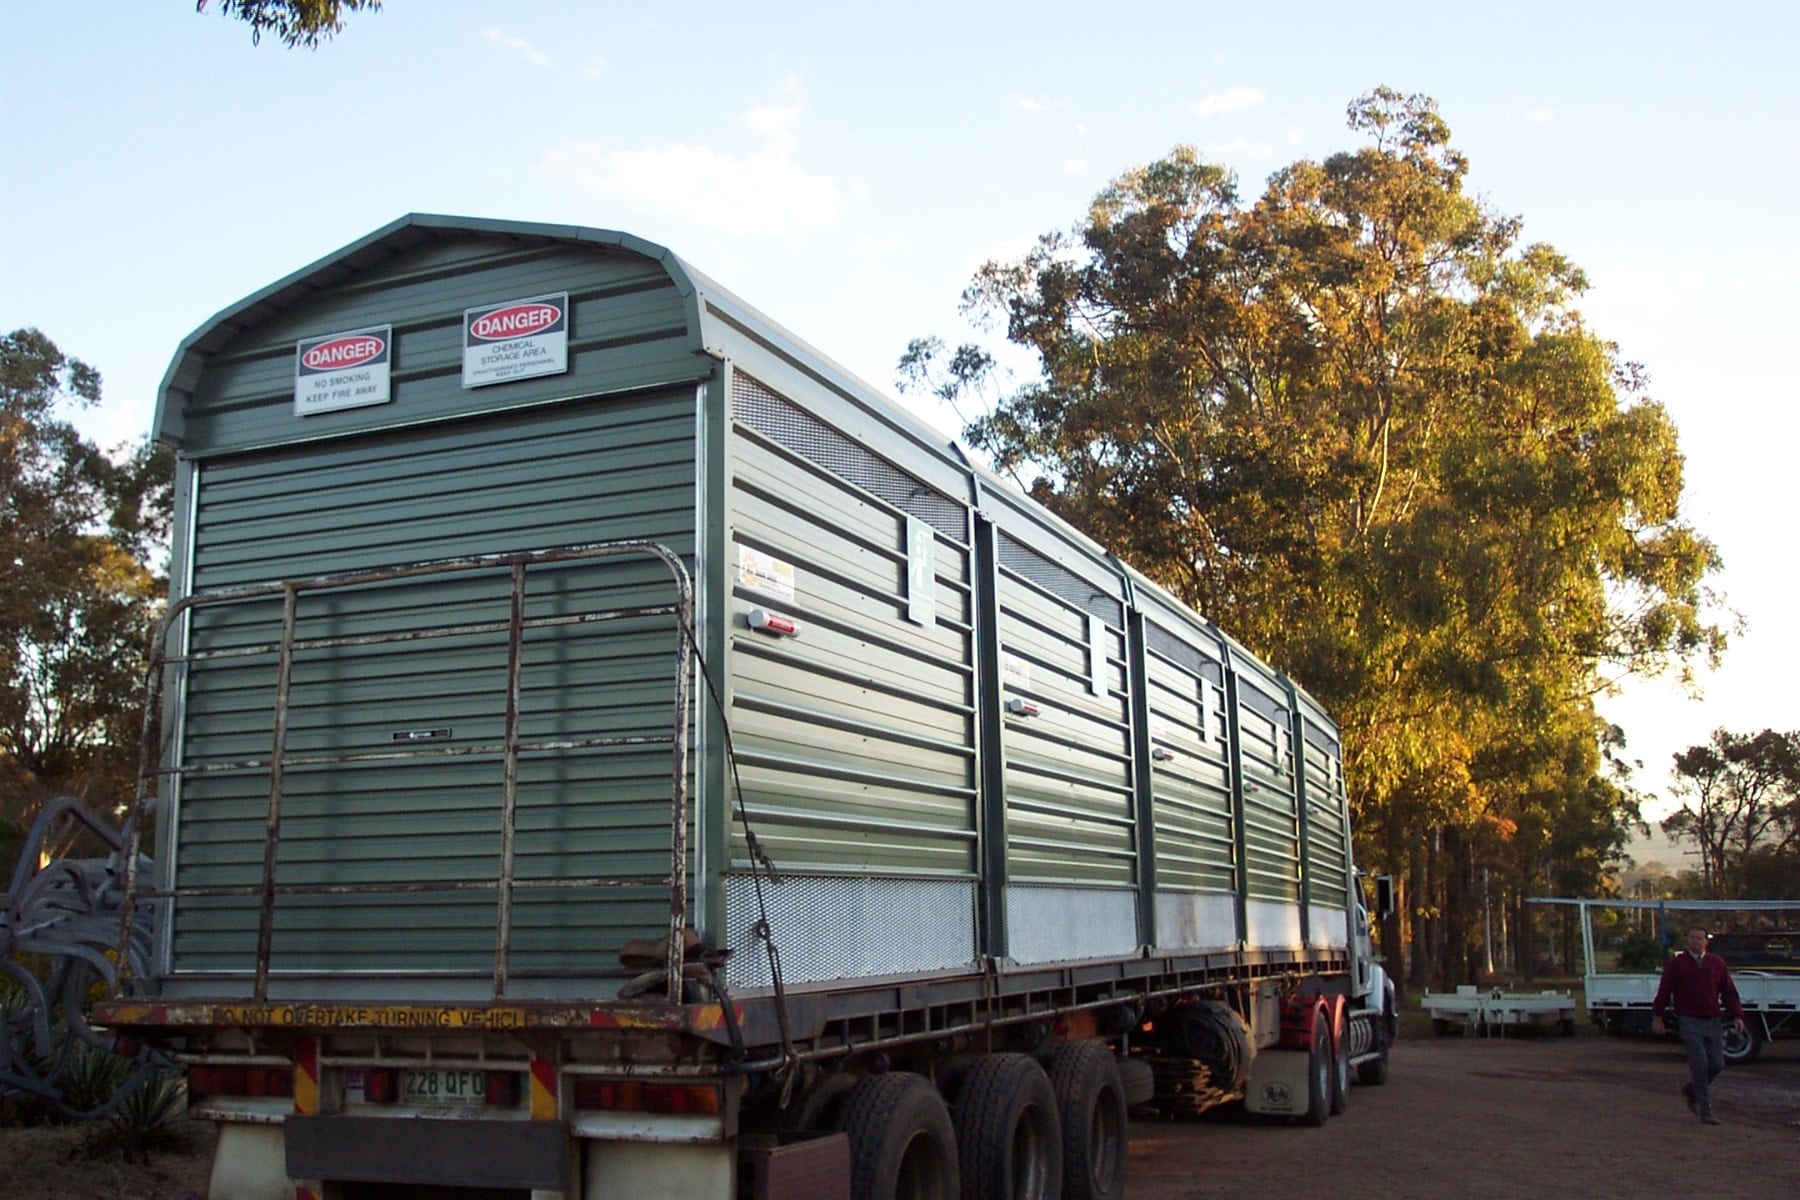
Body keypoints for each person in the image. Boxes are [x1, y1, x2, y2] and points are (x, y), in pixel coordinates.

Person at [1650, 925, 1747, 1125]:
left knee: (1717, 1064)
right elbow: (1664, 991)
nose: (1695, 941)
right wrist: (1658, 1016)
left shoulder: (1716, 964)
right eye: (1692, 937)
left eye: (1699, 938)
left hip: (1712, 1019)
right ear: (1687, 940)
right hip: (1688, 1019)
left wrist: (1737, 1015)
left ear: (1706, 941)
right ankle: (1705, 1109)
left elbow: (1728, 991)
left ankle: (1692, 1089)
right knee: (1700, 1064)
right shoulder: (1677, 964)